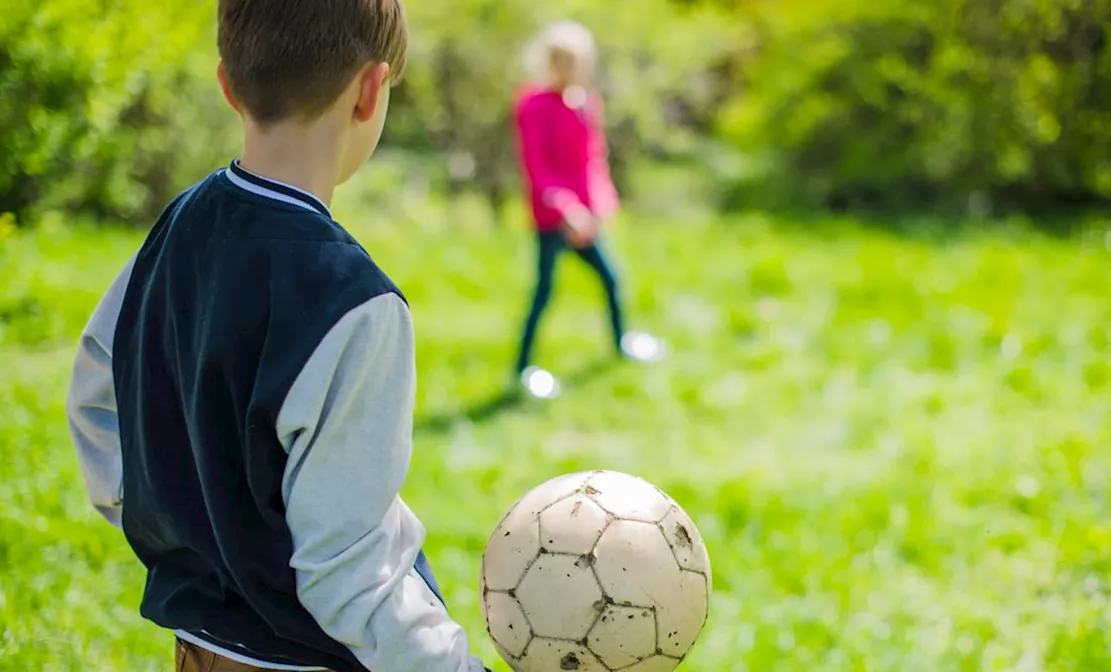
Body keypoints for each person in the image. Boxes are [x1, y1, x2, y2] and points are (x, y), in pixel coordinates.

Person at [64, 1, 491, 671]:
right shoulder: (355, 302)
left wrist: (191, 531)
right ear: (372, 90)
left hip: (196, 653)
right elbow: (347, 574)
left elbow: (97, 391)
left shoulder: (180, 224)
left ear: (228, 84)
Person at [512, 20, 666, 400]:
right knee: (545, 291)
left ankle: (621, 344)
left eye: (577, 61)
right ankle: (522, 368)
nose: (571, 69)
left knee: (612, 279)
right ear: (549, 62)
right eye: (563, 61)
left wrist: (599, 205)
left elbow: (593, 160)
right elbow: (538, 168)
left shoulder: (585, 103)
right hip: (553, 220)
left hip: (587, 219)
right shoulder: (533, 105)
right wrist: (568, 210)